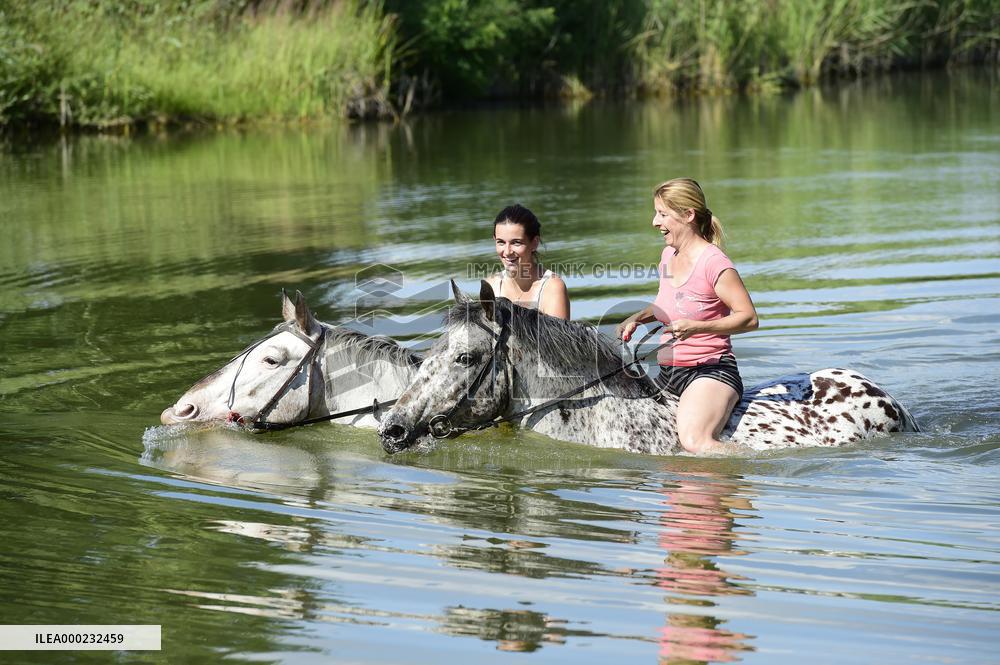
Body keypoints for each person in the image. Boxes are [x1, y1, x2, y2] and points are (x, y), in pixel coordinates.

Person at [616, 178, 758, 454]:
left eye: (662, 214)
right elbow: (665, 307)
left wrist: (698, 328)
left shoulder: (714, 263)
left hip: (710, 370)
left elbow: (749, 318)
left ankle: (755, 469)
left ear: (688, 215)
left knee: (694, 442)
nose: (654, 222)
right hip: (668, 371)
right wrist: (637, 317)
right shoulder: (668, 255)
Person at [486, 204, 570, 319]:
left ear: (534, 243)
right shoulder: (491, 286)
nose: (507, 252)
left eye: (516, 242)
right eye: (501, 242)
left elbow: (558, 337)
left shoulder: (552, 287)